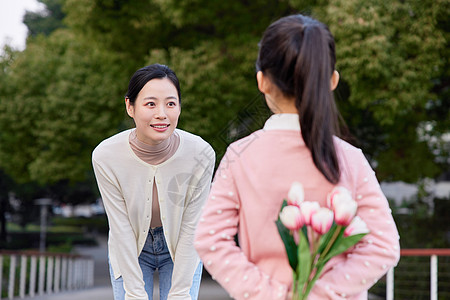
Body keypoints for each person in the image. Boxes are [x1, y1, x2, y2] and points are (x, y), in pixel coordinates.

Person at [194, 14, 400, 300]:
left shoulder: (240, 156)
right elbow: (383, 245)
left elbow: (210, 240)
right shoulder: (349, 159)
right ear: (332, 81)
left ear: (262, 81)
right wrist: (321, 294)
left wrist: (269, 294)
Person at [92, 64, 215, 300]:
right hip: (130, 249)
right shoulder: (106, 156)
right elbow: (121, 228)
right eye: (150, 104)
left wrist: (180, 293)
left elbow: (192, 227)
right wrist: (135, 293)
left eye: (171, 103)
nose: (162, 114)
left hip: (181, 247)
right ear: (130, 106)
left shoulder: (201, 154)